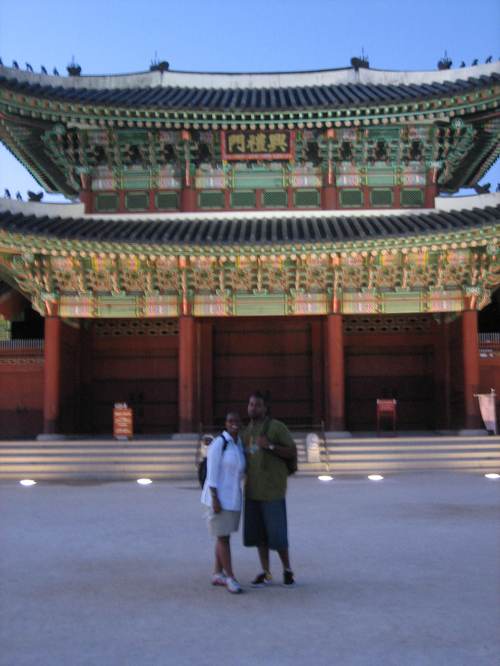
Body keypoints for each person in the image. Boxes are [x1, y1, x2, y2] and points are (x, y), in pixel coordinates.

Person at [242, 391, 297, 587]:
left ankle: (287, 570)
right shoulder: (246, 432)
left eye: (257, 405)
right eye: (250, 404)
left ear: (265, 408)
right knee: (259, 535)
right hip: (252, 490)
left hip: (273, 490)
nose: (252, 408)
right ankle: (266, 572)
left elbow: (292, 451)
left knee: (278, 533)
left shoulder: (276, 427)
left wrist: (271, 446)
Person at [201, 412, 246, 594]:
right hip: (218, 498)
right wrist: (214, 498)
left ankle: (217, 573)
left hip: (233, 497)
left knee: (224, 535)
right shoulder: (220, 443)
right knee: (223, 538)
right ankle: (231, 577)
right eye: (230, 421)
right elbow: (211, 473)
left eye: (236, 421)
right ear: (225, 424)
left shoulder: (239, 443)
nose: (234, 424)